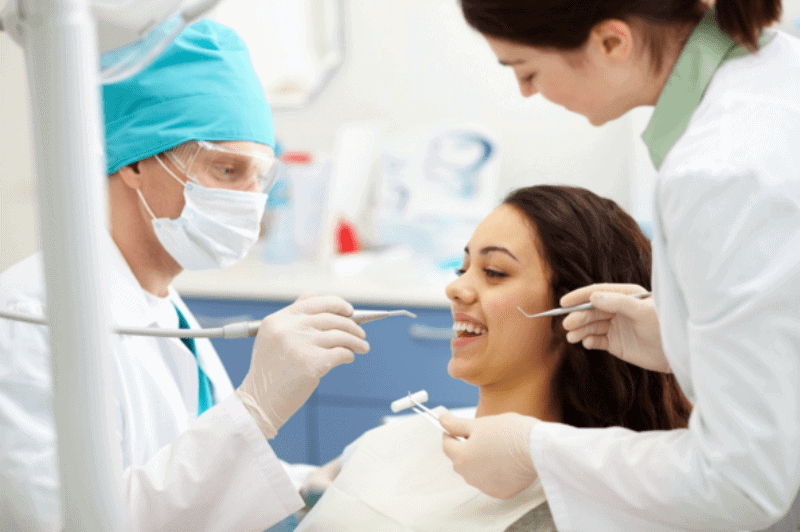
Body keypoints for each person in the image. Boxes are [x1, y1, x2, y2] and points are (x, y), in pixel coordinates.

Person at [439, 1, 800, 530]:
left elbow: (745, 483)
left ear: (611, 42)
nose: (527, 92)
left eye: (527, 70)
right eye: (463, 267)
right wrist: (684, 340)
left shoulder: (721, 170)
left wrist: (538, 449)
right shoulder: (771, 87)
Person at [0, 20, 369, 532]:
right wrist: (255, 408)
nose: (249, 202)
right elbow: (74, 522)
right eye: (226, 171)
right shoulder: (31, 318)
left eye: (260, 178)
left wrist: (307, 486)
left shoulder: (157, 300)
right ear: (134, 162)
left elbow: (181, 469)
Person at [293, 185, 692, 531]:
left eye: (495, 272)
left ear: (578, 309)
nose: (456, 288)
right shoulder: (386, 441)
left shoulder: (569, 507)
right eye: (463, 267)